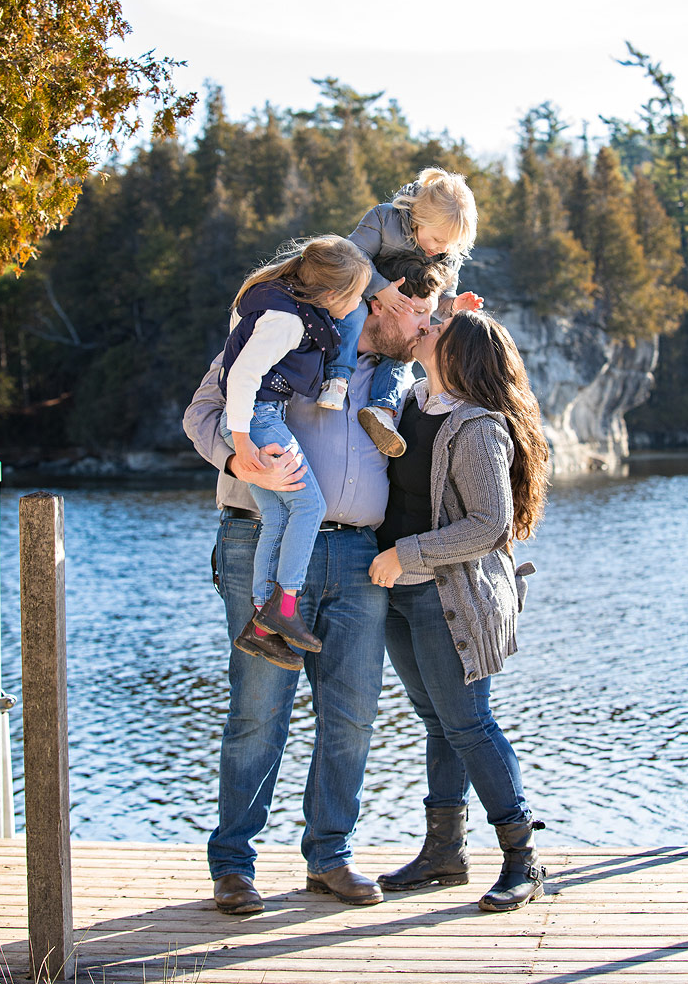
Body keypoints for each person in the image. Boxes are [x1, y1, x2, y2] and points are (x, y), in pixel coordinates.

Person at [182, 257, 446, 915]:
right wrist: (236, 456)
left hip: (360, 556)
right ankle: (234, 867)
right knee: (257, 711)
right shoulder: (282, 338)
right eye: (416, 312)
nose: (424, 325)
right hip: (258, 542)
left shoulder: (398, 374)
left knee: (351, 716)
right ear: (379, 303)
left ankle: (329, 857)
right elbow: (201, 414)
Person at [368, 310, 551, 913]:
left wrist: (406, 554)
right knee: (437, 720)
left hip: (448, 597)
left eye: (437, 327)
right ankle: (445, 853)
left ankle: (524, 859)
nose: (426, 326)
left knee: (469, 723)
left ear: (456, 355)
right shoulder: (414, 403)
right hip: (400, 592)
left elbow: (490, 525)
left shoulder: (476, 427)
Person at [218, 235, 371, 662]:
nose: (358, 304)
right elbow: (242, 376)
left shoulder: (280, 303)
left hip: (263, 419)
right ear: (329, 295)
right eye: (355, 296)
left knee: (277, 512)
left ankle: (262, 622)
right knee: (309, 508)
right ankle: (285, 608)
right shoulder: (285, 320)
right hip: (259, 421)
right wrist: (245, 441)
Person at [316, 168, 483, 458]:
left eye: (450, 244)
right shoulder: (384, 219)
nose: (441, 249)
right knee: (353, 314)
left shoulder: (446, 254)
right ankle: (338, 377)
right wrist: (379, 288)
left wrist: (454, 307)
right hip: (361, 290)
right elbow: (350, 257)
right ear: (420, 218)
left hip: (396, 313)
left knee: (404, 350)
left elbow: (439, 299)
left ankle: (382, 409)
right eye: (437, 239)